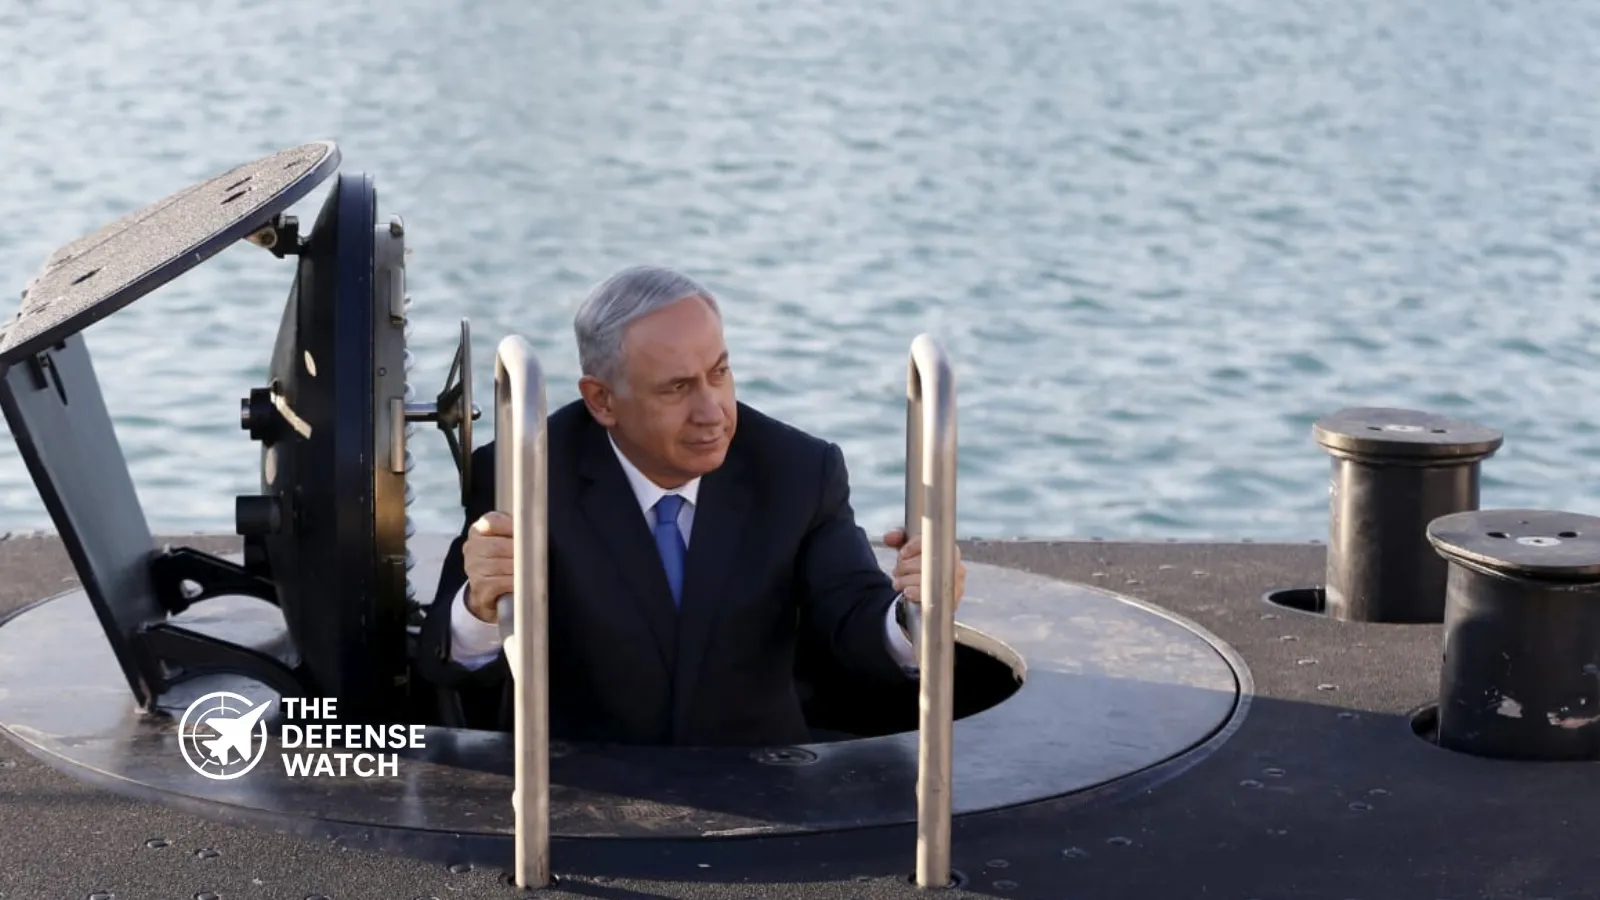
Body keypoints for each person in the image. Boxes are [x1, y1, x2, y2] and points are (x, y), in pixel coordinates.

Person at [415, 265, 965, 746]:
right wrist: (481, 606)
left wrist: (916, 611)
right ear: (601, 400)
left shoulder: (798, 470)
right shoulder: (524, 474)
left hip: (763, 788)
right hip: (578, 790)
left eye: (718, 373)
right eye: (677, 388)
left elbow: (852, 621)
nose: (713, 411)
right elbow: (445, 664)